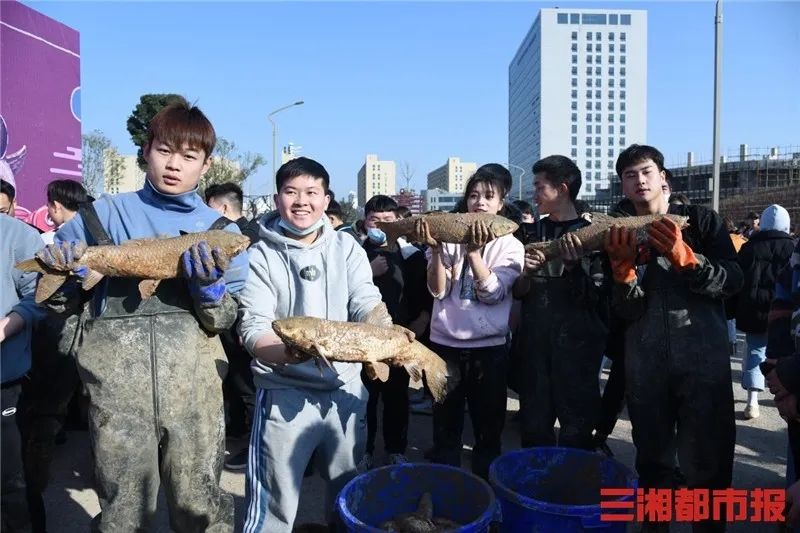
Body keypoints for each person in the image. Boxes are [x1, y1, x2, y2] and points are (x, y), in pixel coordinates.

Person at [38, 100, 248, 532]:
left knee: (203, 511)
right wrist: (63, 277)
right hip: (115, 400)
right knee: (124, 513)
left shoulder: (222, 233)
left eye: (189, 157)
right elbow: (59, 306)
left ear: (205, 165)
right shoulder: (101, 217)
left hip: (196, 401)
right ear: (146, 150)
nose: (175, 165)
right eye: (164, 150)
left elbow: (225, 321)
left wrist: (210, 292)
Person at [238, 157, 391, 531]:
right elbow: (253, 327)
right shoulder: (259, 255)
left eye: (311, 192)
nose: (301, 201)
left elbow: (366, 301)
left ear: (326, 199)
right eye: (291, 192)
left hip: (345, 389)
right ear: (277, 199)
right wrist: (286, 353)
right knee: (273, 502)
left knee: (349, 497)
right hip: (283, 390)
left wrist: (385, 333)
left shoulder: (348, 247)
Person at [605, 144, 742, 532]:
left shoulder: (700, 222)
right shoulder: (615, 234)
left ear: (663, 177)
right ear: (623, 185)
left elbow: (734, 281)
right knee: (653, 465)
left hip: (704, 365)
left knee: (709, 466)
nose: (640, 180)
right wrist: (623, 276)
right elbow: (623, 314)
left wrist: (689, 259)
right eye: (629, 175)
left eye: (646, 171)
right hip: (646, 368)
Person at [422, 163, 523, 479]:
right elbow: (438, 291)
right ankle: (446, 481)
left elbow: (493, 294)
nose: (479, 201)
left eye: (488, 196)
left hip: (489, 349)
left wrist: (475, 255)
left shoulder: (511, 245)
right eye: (473, 195)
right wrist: (437, 252)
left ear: (500, 204)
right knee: (445, 419)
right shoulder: (449, 237)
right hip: (444, 345)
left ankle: (487, 483)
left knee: (488, 422)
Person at [511, 155, 609, 451]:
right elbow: (517, 292)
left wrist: (573, 267)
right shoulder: (528, 233)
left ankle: (573, 491)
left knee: (576, 433)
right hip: (535, 348)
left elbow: (598, 297)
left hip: (579, 352)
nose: (534, 194)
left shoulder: (594, 235)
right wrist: (526, 272)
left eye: (540, 187)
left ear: (562, 189)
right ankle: (535, 490)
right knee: (534, 429)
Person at [356, 195, 432, 471]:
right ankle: (362, 450)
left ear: (398, 223)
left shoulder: (412, 256)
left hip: (399, 338)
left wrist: (422, 320)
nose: (382, 227)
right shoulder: (355, 254)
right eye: (375, 220)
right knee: (364, 399)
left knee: (397, 397)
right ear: (365, 222)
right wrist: (369, 271)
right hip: (363, 340)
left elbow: (426, 294)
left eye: (388, 221)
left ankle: (395, 449)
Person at [1, 211, 45, 531]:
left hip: (5, 381)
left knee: (11, 483)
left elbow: (40, 295)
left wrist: (6, 326)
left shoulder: (17, 237)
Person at [732, 205, 794, 419]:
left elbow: (737, 281)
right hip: (786, 313)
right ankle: (787, 399)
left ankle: (752, 401)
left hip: (755, 310)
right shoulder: (793, 248)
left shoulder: (750, 248)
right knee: (788, 355)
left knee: (755, 352)